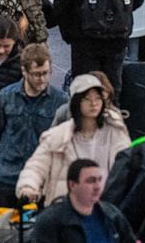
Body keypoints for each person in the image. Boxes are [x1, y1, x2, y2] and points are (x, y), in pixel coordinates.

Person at [19, 73, 132, 205]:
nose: (94, 103)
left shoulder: (115, 133)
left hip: (105, 208)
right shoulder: (58, 135)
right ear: (76, 102)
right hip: (65, 208)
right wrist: (28, 186)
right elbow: (36, 166)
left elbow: (127, 166)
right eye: (87, 99)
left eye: (98, 98)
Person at [0, 42, 69, 208]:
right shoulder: (6, 97)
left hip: (41, 179)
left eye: (46, 73)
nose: (42, 79)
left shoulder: (61, 101)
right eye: (36, 74)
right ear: (24, 72)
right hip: (7, 177)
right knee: (2, 231)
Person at [30, 159, 137, 243]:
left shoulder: (112, 214)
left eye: (100, 180)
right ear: (72, 185)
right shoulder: (50, 220)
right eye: (90, 181)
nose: (97, 187)